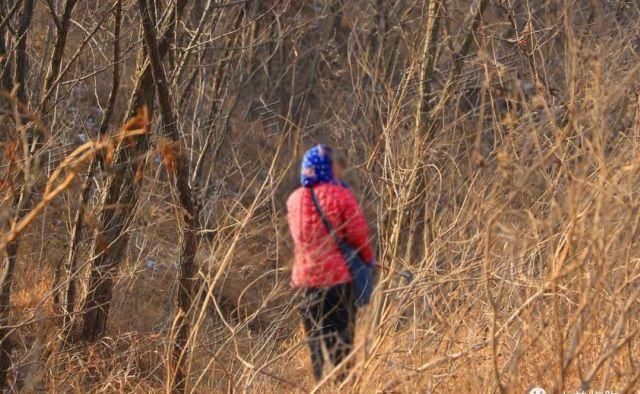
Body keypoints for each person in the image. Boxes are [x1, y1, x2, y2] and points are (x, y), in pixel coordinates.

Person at [286, 144, 376, 381]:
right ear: (326, 166)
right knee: (342, 345)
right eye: (336, 164)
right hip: (338, 282)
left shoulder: (294, 200)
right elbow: (359, 235)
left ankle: (321, 385)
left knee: (316, 346)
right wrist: (368, 261)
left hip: (305, 284)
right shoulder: (341, 195)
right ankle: (344, 385)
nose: (339, 170)